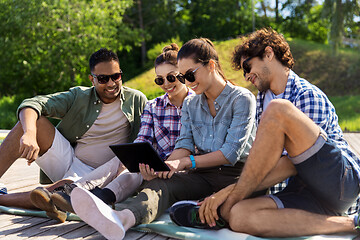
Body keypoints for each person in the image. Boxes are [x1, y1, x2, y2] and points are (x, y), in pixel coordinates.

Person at [170, 28, 360, 238]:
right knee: (239, 216)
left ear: (269, 54)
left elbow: (291, 163)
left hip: (340, 182)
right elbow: (263, 160)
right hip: (305, 192)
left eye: (248, 66)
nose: (246, 75)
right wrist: (234, 200)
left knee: (279, 109)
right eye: (243, 71)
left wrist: (228, 194)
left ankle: (218, 210)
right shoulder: (262, 100)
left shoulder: (305, 95)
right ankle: (351, 224)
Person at [70, 37, 263, 240]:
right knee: (161, 184)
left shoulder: (242, 99)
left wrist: (183, 162)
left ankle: (198, 211)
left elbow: (230, 154)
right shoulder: (191, 104)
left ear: (211, 65)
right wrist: (165, 167)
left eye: (189, 75)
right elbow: (184, 145)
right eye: (183, 77)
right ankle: (121, 219)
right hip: (202, 175)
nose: (187, 82)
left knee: (225, 207)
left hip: (236, 178)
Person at [0, 48, 147, 222]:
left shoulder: (137, 100)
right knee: (32, 123)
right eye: (103, 78)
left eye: (116, 76)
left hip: (105, 172)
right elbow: (32, 103)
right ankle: (53, 199)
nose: (111, 83)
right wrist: (30, 134)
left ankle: (6, 199)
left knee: (64, 190)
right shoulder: (79, 96)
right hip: (70, 158)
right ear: (92, 79)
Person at [50, 43, 193, 211]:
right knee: (127, 162)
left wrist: (168, 166)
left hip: (182, 170)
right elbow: (142, 140)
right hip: (153, 169)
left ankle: (88, 195)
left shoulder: (197, 105)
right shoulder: (153, 106)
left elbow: (193, 146)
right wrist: (135, 160)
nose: (166, 84)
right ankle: (80, 192)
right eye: (160, 80)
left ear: (182, 74)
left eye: (171, 77)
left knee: (132, 171)